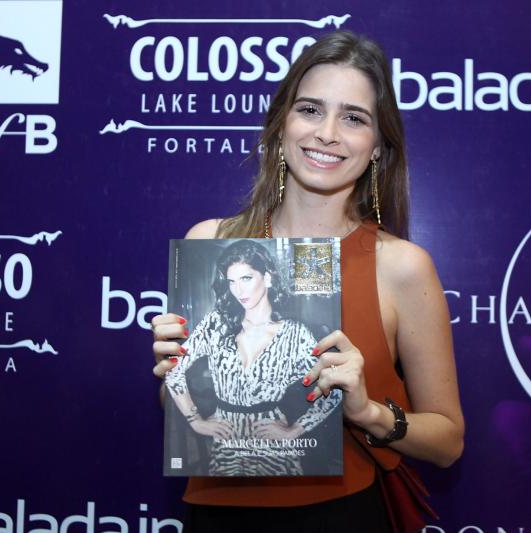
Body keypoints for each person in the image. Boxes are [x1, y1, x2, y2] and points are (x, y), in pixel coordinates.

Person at [151, 30, 464, 532]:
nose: (327, 133)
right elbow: (177, 410)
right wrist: (172, 373)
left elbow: (447, 443)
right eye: (311, 110)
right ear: (281, 125)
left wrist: (367, 412)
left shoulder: (402, 265)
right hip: (217, 514)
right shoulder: (210, 243)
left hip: (345, 518)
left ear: (378, 147)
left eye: (354, 118)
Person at [164, 239, 342, 476]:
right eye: (232, 282)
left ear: (267, 278)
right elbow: (173, 369)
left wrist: (296, 430)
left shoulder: (295, 334)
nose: (238, 290)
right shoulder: (217, 324)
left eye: (246, 278)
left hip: (273, 445)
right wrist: (195, 420)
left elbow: (334, 390)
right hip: (226, 442)